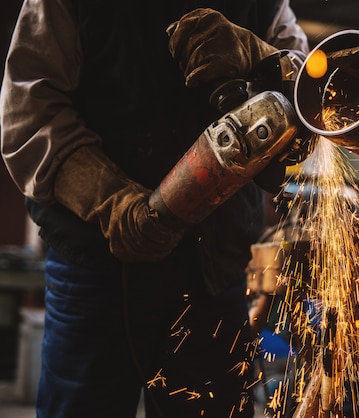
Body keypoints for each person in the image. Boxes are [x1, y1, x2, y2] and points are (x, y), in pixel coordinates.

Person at [0, 0, 308, 417]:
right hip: (97, 268)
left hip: (212, 271)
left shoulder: (267, 5)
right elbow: (30, 113)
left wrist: (260, 57)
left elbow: (310, 94)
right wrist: (110, 202)